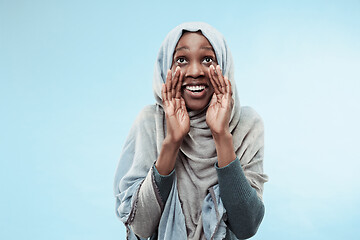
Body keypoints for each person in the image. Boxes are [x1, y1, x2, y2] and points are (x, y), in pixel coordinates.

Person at [113, 22, 268, 240]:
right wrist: (172, 142)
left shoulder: (247, 124)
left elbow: (246, 226)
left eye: (207, 59)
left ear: (223, 65)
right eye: (182, 60)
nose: (195, 71)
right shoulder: (150, 122)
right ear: (166, 67)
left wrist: (221, 136)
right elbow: (140, 226)